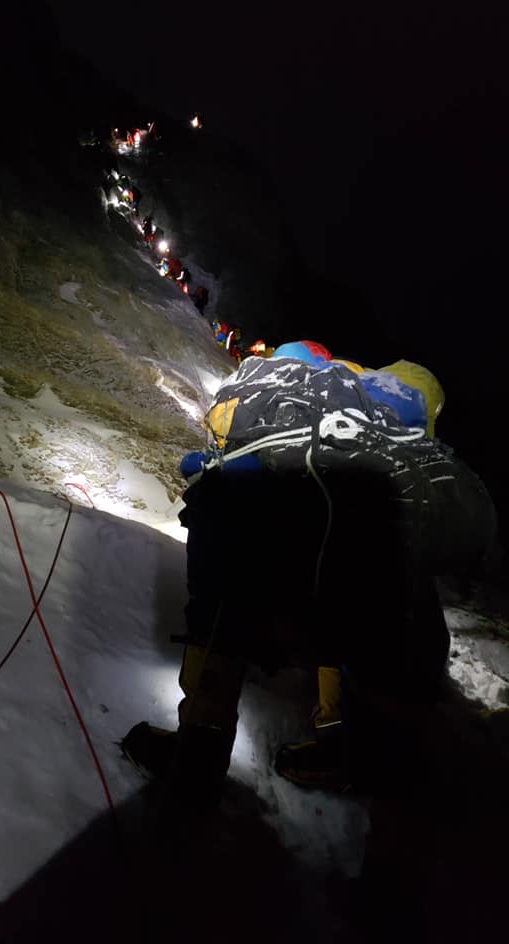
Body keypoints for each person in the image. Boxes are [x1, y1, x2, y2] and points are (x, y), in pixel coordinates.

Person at [121, 343, 496, 816]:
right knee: (375, 613)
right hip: (353, 586)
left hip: (257, 571)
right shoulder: (392, 419)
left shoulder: (298, 402)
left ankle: (198, 754)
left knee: (225, 605)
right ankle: (352, 755)